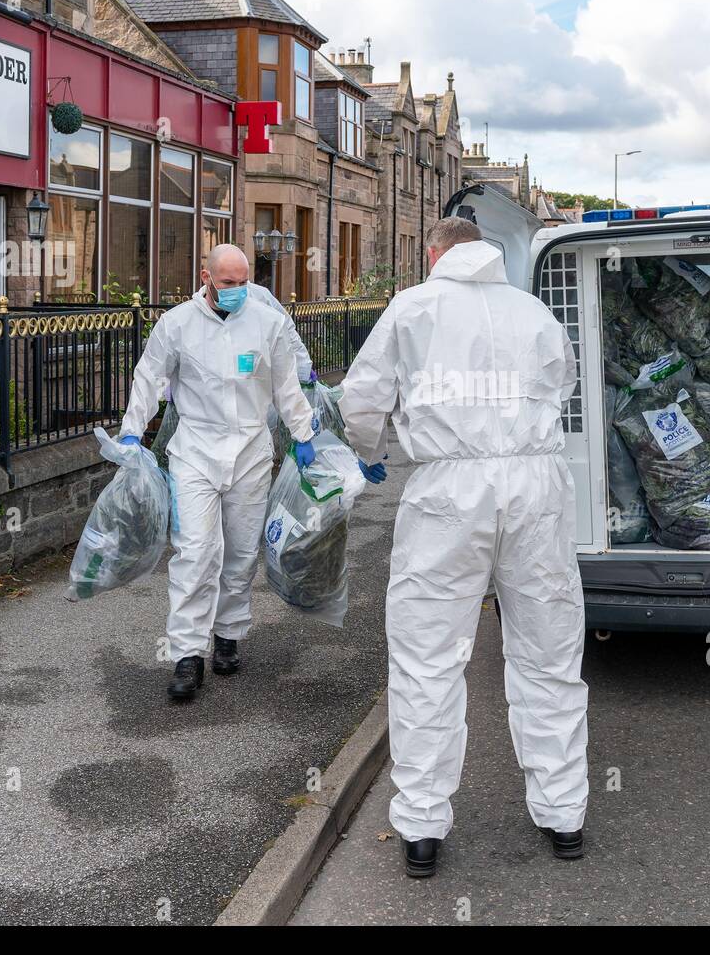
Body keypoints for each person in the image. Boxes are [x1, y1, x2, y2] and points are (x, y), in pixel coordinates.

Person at [339, 216, 589, 878]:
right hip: (536, 483)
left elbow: (362, 401)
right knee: (548, 649)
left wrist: (368, 455)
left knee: (428, 656)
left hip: (449, 487)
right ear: (490, 251)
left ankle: (423, 825)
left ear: (434, 253)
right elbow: (565, 384)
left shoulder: (414, 307)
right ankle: (564, 812)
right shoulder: (534, 312)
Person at [118, 244, 318, 701]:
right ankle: (188, 654)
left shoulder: (265, 323)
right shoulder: (177, 324)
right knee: (195, 551)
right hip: (196, 449)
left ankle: (227, 633)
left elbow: (286, 384)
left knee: (243, 550)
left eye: (243, 283)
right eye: (227, 283)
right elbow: (148, 378)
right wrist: (132, 432)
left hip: (250, 449)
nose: (236, 292)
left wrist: (304, 433)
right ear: (205, 276)